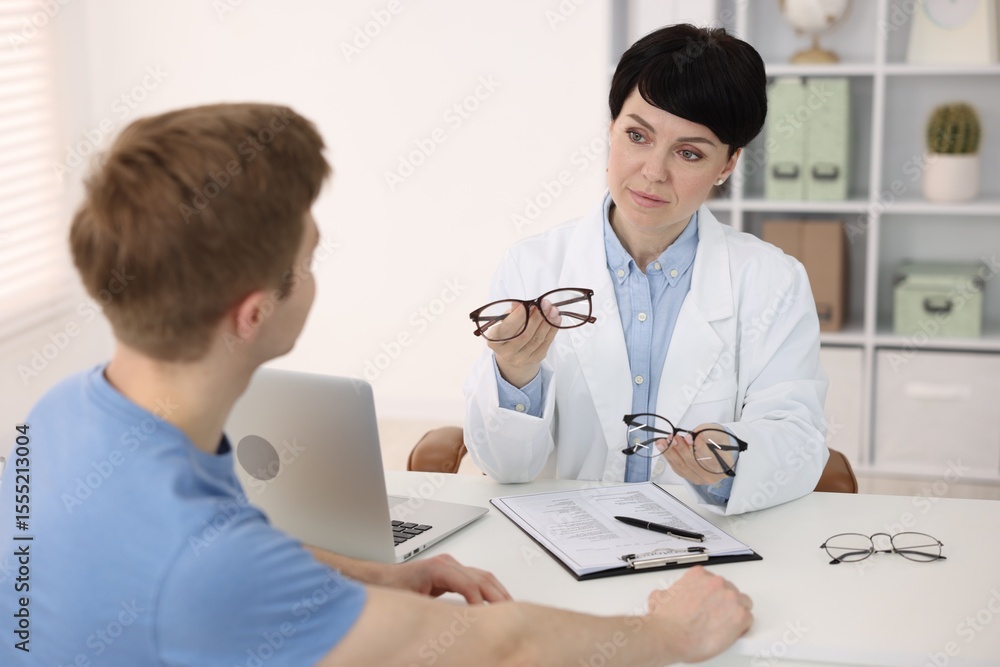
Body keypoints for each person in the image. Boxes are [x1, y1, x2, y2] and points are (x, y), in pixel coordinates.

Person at [0, 103, 752, 666]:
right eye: (308, 259)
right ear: (255, 312)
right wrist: (669, 631)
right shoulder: (211, 569)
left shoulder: (62, 412)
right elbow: (501, 645)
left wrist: (374, 574)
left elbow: (221, 542)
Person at [464, 23, 830, 516]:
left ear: (727, 165)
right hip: (564, 539)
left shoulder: (772, 281)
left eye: (689, 153)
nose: (653, 172)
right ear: (611, 129)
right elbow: (504, 468)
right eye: (637, 136)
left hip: (703, 541)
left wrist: (728, 460)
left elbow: (797, 438)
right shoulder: (533, 265)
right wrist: (514, 374)